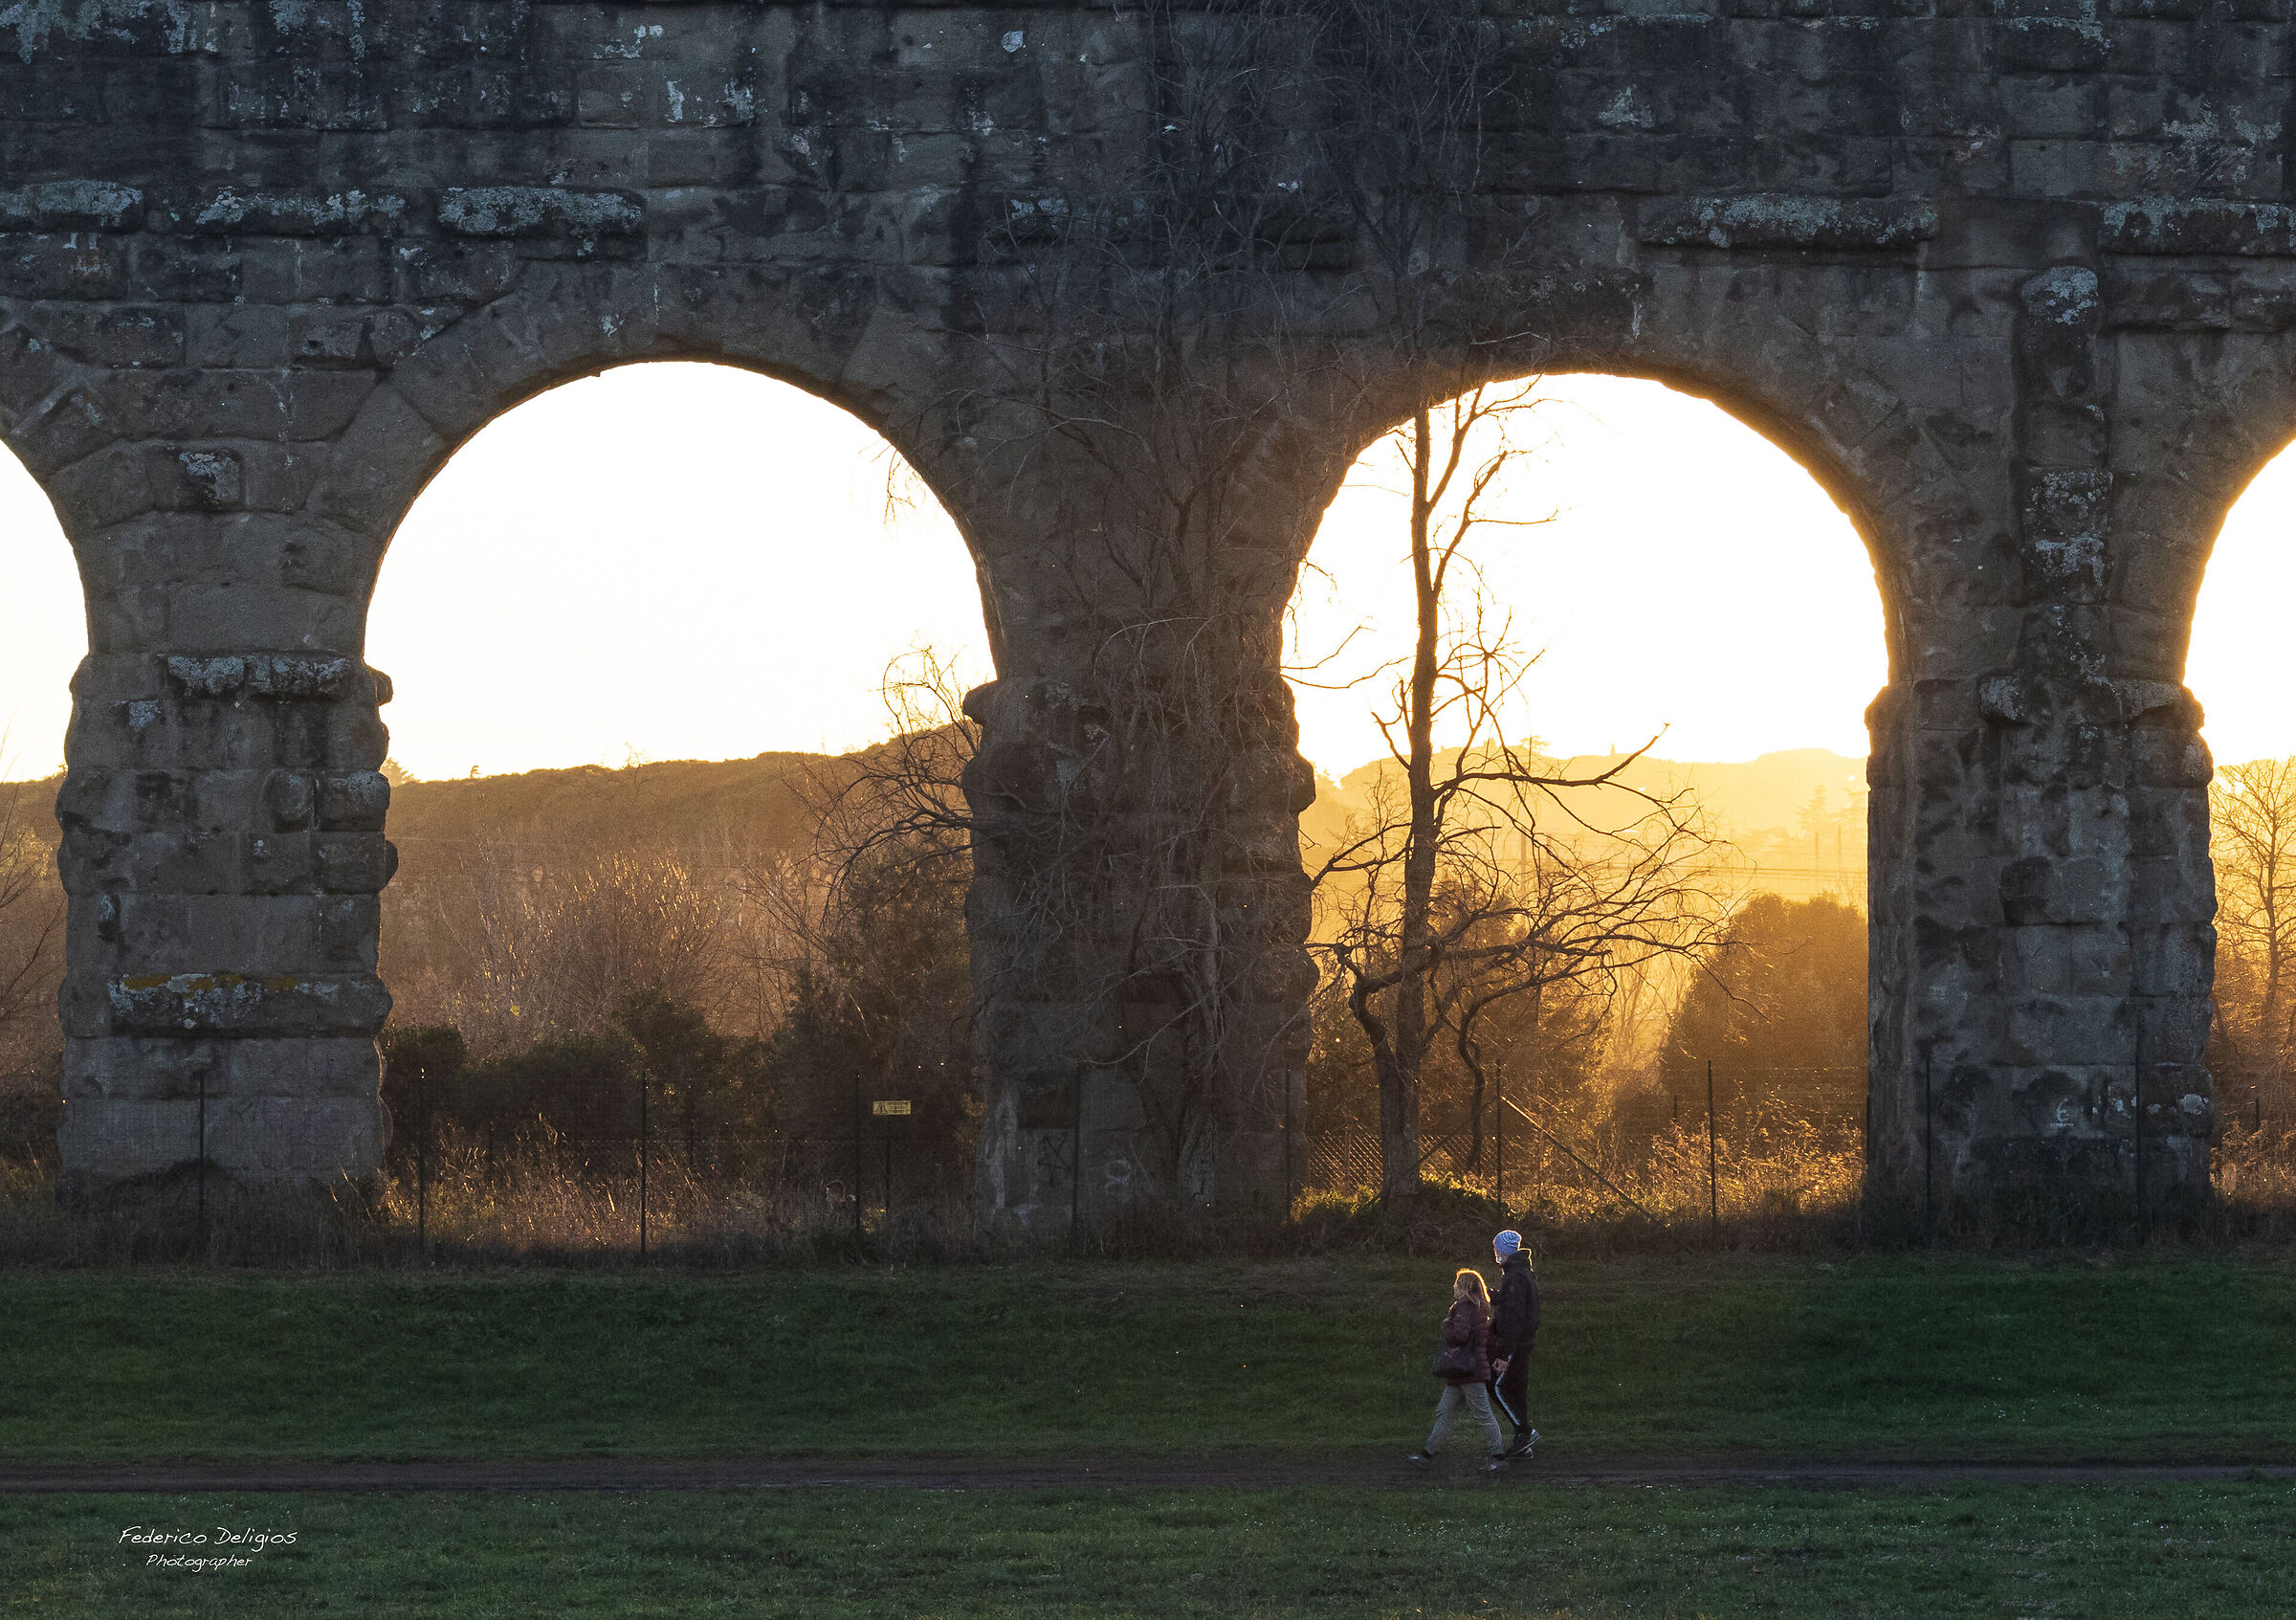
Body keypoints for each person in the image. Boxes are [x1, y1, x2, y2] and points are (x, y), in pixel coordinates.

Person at [1407, 1268, 1506, 1470]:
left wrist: (1446, 1324)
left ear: (1463, 1288)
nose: (1453, 1287)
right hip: (1465, 1370)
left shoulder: (1463, 1308)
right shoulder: (1479, 1308)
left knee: (1482, 1414)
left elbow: (1458, 1336)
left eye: (1456, 1284)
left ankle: (1499, 1458)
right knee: (1445, 1411)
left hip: (1467, 1371)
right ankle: (1426, 1455)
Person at [1487, 1229, 1540, 1460]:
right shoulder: (1521, 1273)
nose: (1496, 1253)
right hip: (1523, 1344)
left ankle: (1524, 1432)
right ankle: (1523, 1447)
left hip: (1514, 1346)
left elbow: (1514, 1317)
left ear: (1505, 1251)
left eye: (1497, 1249)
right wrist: (1487, 1293)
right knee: (1517, 1391)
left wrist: (1503, 1353)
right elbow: (1510, 1300)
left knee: (1495, 1386)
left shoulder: (1515, 1276)